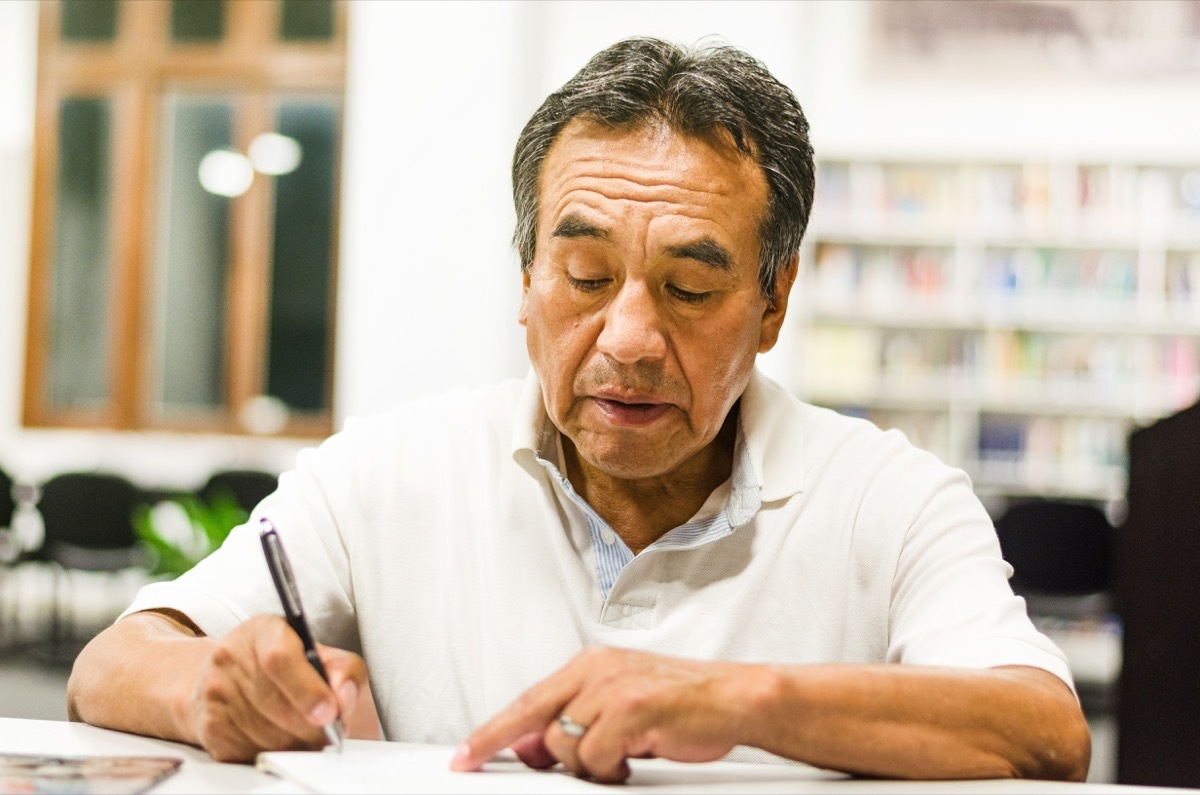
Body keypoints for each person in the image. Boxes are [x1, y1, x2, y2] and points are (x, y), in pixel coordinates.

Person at [67, 37, 1091, 783]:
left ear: (772, 303)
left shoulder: (891, 500)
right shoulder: (393, 469)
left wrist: (742, 701)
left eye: (689, 290)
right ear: (525, 281)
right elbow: (113, 666)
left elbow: (1044, 731)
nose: (631, 340)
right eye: (587, 276)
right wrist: (209, 682)